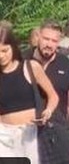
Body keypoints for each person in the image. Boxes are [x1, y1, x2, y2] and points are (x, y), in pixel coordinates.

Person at [0, 22, 59, 163]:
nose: (1, 56)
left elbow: (53, 96)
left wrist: (48, 111)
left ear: (13, 47)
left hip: (30, 134)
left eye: (4, 50)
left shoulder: (30, 67)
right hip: (4, 136)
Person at [30, 20, 69, 162]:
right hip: (26, 136)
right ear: (38, 38)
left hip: (56, 135)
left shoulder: (68, 67)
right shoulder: (21, 61)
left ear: (58, 42)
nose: (49, 44)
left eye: (54, 41)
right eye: (46, 39)